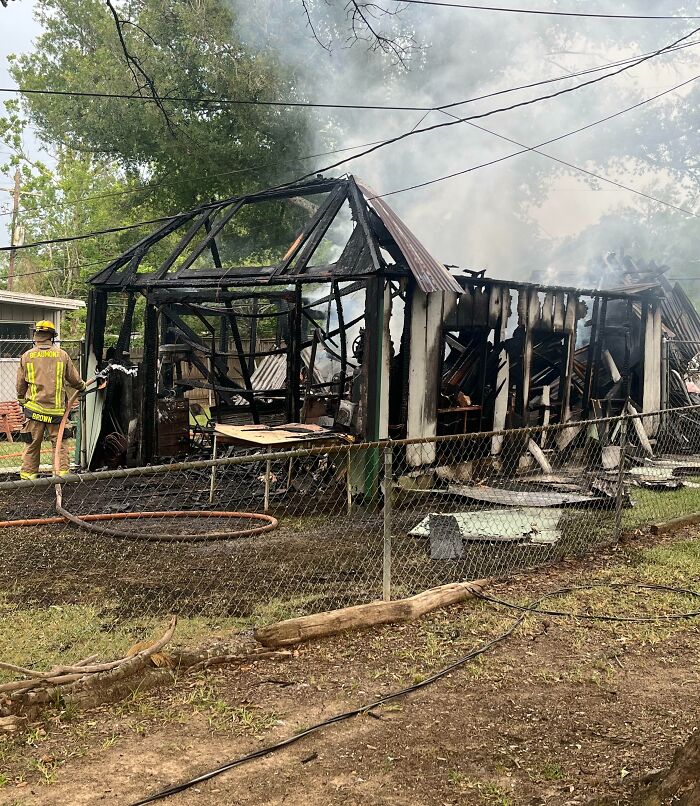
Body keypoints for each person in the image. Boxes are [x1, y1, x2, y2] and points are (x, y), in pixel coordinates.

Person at [16, 321, 86, 479]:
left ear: (36, 336)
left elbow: (20, 384)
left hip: (34, 412)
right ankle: (60, 477)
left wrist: (21, 399)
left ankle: (28, 477)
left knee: (32, 445)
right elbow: (74, 379)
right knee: (59, 444)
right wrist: (82, 387)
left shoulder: (27, 356)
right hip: (56, 412)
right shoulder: (62, 355)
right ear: (52, 337)